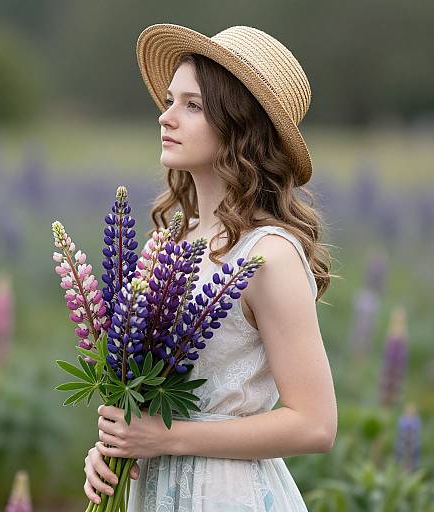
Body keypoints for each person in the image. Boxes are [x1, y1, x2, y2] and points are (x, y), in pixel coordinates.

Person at [84, 23, 338, 511]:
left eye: (192, 105)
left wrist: (167, 438)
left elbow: (315, 424)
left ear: (239, 126)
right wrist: (111, 448)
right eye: (170, 100)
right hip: (154, 489)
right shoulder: (174, 239)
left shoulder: (269, 254)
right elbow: (151, 400)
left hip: (225, 494)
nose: (166, 117)